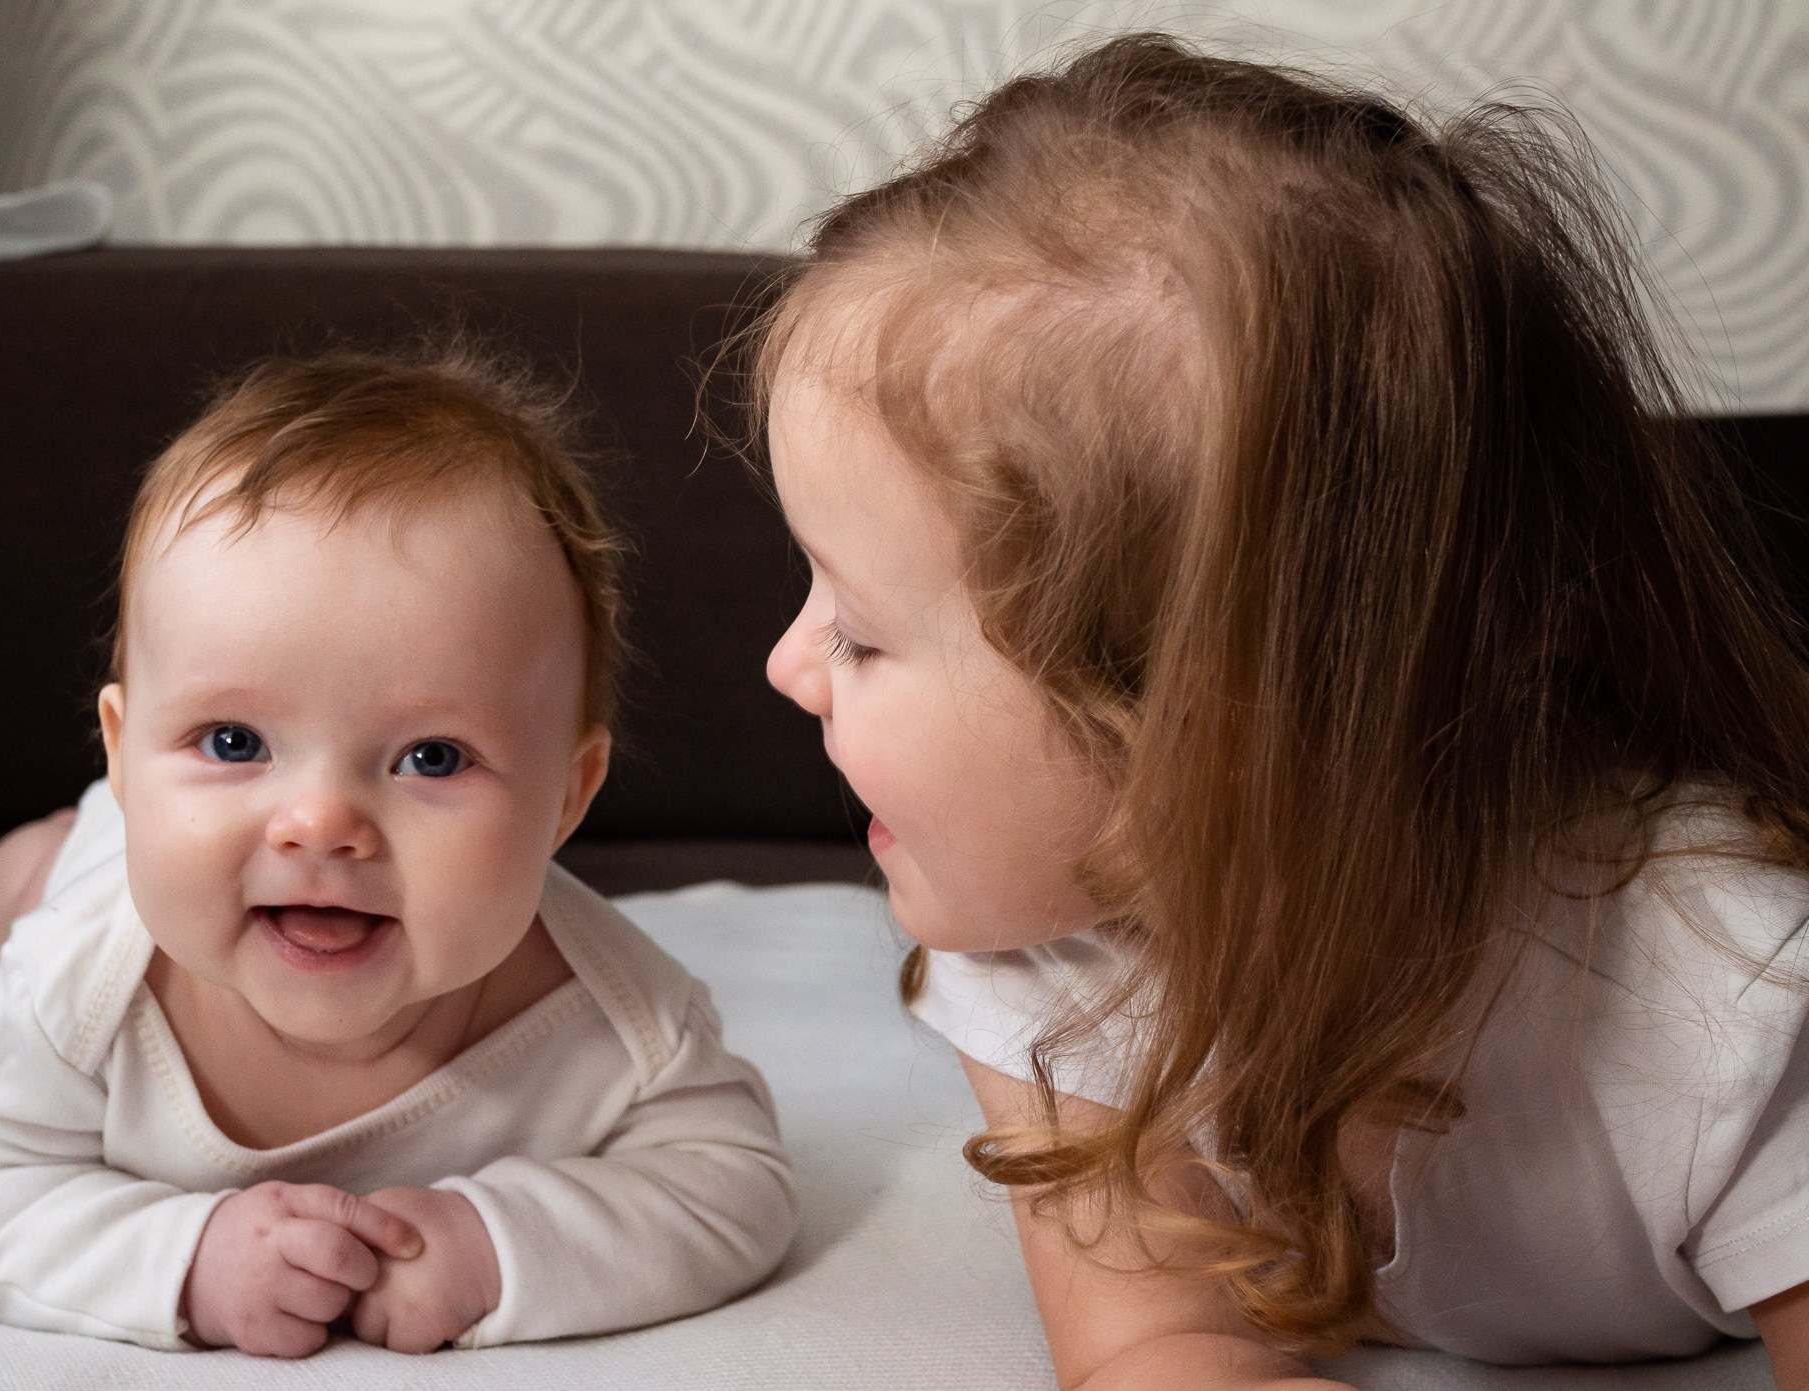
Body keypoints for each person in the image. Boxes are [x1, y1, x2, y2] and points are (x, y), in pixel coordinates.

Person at [758, 32, 1809, 1390]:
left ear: (1203, 739)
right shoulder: (1046, 932)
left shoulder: (1731, 996)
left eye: (859, 630)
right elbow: (1164, 1339)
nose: (786, 664)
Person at [0, 350, 797, 1358]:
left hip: (200, 854)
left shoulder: (621, 1020)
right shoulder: (81, 979)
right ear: (124, 745)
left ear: (566, 794)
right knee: (26, 888)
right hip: (104, 864)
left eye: (430, 756)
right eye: (232, 739)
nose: (320, 822)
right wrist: (190, 1257)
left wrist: (496, 1246)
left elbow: (733, 1181)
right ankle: (65, 837)